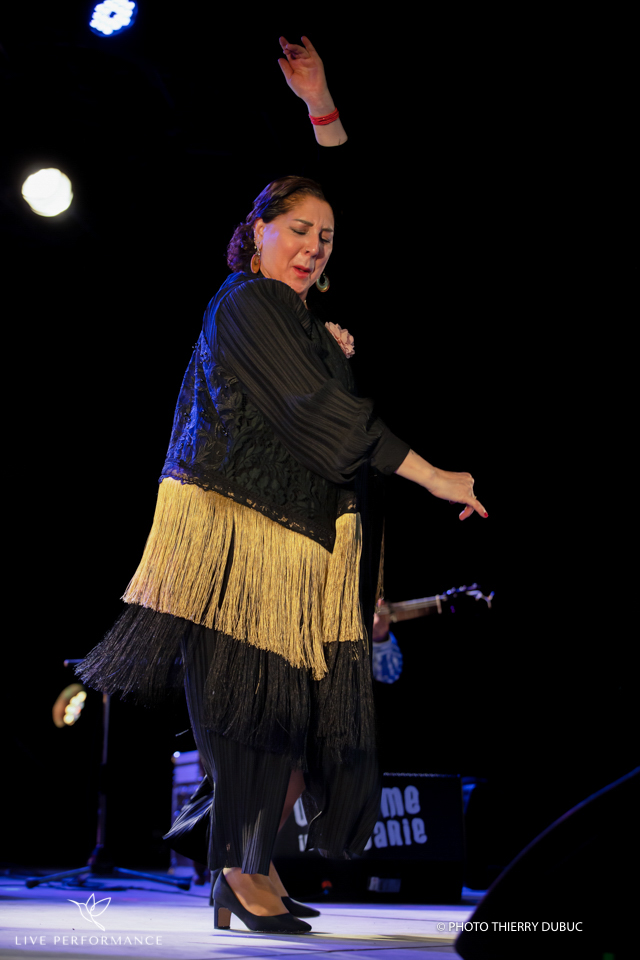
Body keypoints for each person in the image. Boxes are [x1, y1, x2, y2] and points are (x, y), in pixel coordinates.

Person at [77, 35, 488, 935]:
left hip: (291, 552)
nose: (312, 245)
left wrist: (327, 109)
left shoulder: (304, 323)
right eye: (296, 229)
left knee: (288, 729)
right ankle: (238, 868)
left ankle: (243, 864)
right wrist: (432, 473)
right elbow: (322, 416)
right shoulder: (249, 302)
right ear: (257, 232)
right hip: (239, 548)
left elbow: (356, 220)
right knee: (255, 720)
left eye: (325, 238)